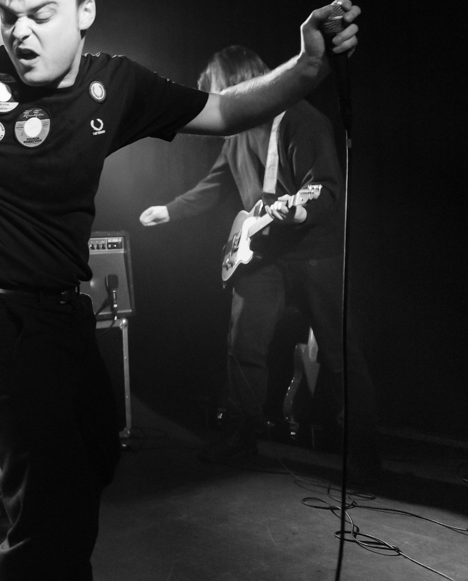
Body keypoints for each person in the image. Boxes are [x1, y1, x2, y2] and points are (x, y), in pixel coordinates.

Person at [0, 0, 359, 581]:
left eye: (41, 15)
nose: (20, 33)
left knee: (95, 454)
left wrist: (310, 66)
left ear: (85, 10)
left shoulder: (114, 85)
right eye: (9, 17)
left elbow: (226, 109)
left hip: (64, 313)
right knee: (49, 495)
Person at [139, 45, 379, 474]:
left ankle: (362, 450)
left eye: (218, 92)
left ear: (239, 83)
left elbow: (324, 187)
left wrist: (300, 211)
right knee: (243, 344)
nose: (217, 105)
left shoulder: (302, 120)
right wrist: (171, 210)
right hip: (263, 252)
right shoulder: (237, 133)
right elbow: (215, 185)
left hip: (314, 252)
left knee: (339, 349)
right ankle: (243, 434)